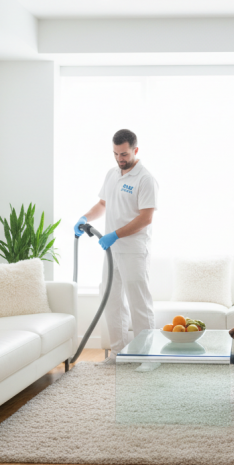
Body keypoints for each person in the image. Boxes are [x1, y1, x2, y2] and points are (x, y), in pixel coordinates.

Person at [75, 129, 158, 357]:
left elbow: (146, 217)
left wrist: (115, 234)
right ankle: (119, 353)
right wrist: (84, 218)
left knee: (138, 304)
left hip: (133, 250)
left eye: (124, 154)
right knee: (112, 301)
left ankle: (148, 356)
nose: (120, 159)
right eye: (115, 154)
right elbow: (102, 204)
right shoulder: (112, 174)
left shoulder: (145, 179)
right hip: (111, 251)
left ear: (135, 150)